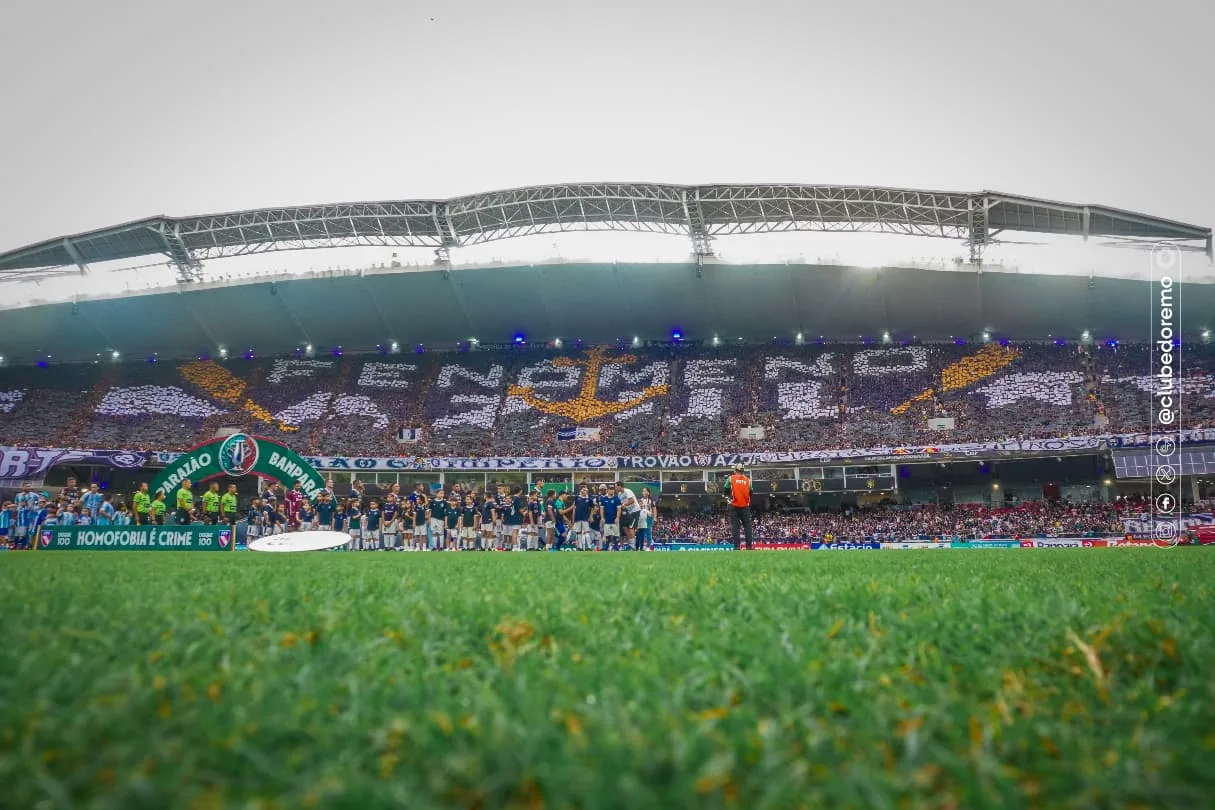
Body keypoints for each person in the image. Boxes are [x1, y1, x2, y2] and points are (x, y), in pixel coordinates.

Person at [724, 463, 754, 550]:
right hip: (745, 506)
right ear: (743, 471)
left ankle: (737, 547)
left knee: (735, 527)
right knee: (747, 527)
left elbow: (726, 490)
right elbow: (751, 493)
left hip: (733, 506)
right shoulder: (748, 480)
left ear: (735, 471)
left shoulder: (731, 478)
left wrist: (729, 498)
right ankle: (749, 546)